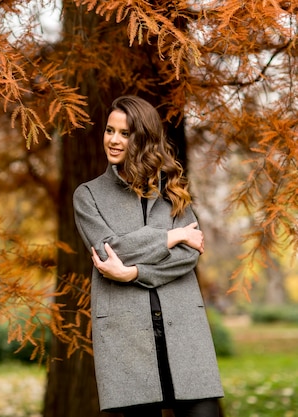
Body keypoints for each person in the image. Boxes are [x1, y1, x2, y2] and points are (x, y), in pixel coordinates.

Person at [72, 95, 224, 417]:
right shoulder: (88, 196)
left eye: (124, 133)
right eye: (109, 130)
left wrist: (134, 273)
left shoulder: (173, 191)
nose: (113, 140)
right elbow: (110, 251)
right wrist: (172, 235)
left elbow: (187, 256)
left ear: (143, 139)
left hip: (184, 327)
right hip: (126, 336)